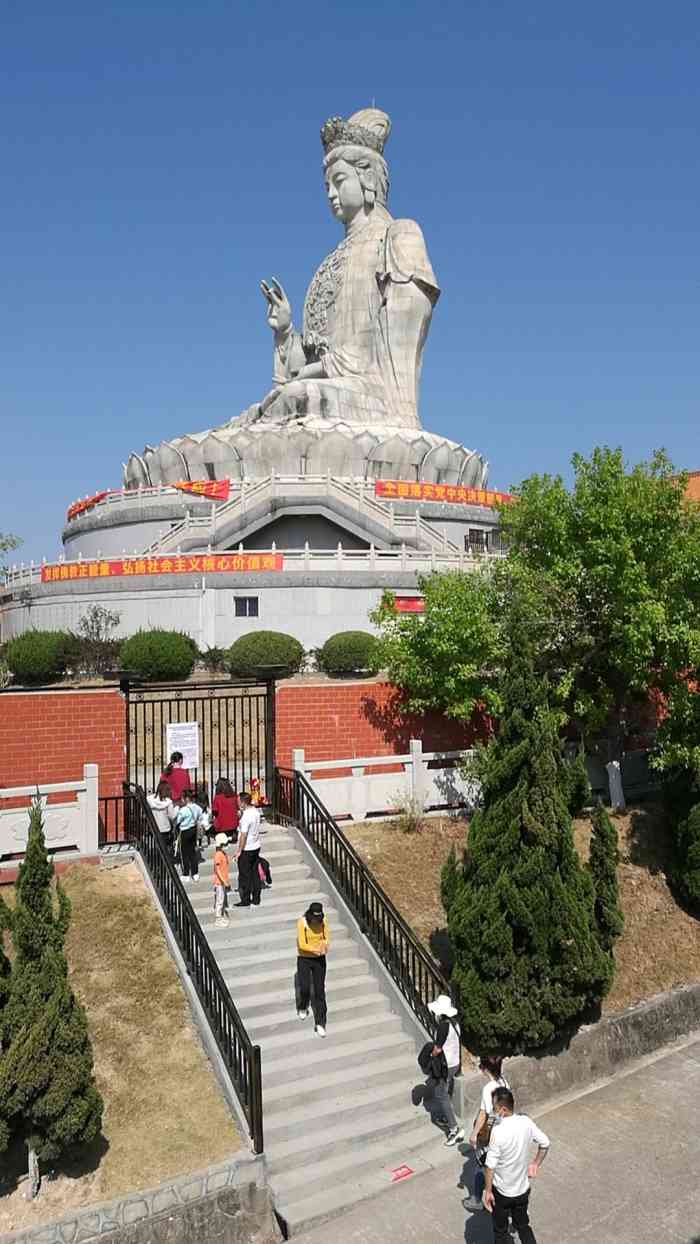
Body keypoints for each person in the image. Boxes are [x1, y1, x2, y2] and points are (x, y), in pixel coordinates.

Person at [482, 1088, 550, 1244]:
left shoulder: (498, 1132)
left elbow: (490, 1166)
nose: (493, 1111)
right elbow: (545, 1143)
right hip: (522, 1191)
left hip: (502, 1194)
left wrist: (488, 1191)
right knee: (523, 1226)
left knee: (500, 1231)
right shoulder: (525, 1121)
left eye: (495, 1107)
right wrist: (535, 1164)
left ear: (503, 1109)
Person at [463, 1054, 511, 1211]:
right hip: (503, 1128)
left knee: (480, 1164)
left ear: (484, 1069)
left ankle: (477, 1198)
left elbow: (484, 1114)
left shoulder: (488, 1088)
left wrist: (474, 1134)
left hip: (491, 1130)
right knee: (497, 1164)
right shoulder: (504, 1082)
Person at [426, 994, 463, 1146]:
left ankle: (454, 1129)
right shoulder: (455, 1023)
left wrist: (430, 1055)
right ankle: (446, 1117)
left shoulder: (443, 1026)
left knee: (441, 1094)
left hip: (446, 1065)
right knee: (444, 1092)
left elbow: (437, 1049)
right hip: (455, 1063)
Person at [296, 901, 330, 1037]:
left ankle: (321, 1023)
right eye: (314, 919)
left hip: (319, 959)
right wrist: (314, 950)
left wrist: (324, 946)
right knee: (304, 988)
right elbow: (302, 944)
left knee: (319, 991)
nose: (316, 922)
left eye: (318, 919)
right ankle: (303, 1006)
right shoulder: (302, 922)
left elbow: (327, 938)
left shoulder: (324, 921)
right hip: (304, 958)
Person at [235, 791, 263, 907]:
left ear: (242, 802)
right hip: (256, 845)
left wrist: (239, 851)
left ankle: (245, 899)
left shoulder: (246, 816)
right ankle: (256, 898)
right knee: (255, 872)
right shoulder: (256, 812)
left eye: (238, 801)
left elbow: (243, 835)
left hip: (247, 848)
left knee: (245, 875)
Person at [173, 788, 202, 883]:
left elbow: (178, 821)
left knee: (184, 853)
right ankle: (195, 873)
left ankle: (186, 874)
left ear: (186, 799)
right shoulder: (197, 807)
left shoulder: (183, 810)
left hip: (184, 831)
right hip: (193, 830)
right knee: (193, 852)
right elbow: (200, 817)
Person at [147, 780, 176, 854]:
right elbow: (172, 816)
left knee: (157, 846)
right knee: (165, 848)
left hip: (154, 827)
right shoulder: (168, 802)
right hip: (165, 828)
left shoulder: (149, 800)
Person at [213, 832, 231, 928]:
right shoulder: (218, 855)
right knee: (219, 900)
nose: (227, 846)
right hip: (219, 882)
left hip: (222, 881)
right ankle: (218, 918)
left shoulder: (223, 854)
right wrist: (223, 881)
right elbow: (218, 870)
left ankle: (220, 916)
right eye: (225, 844)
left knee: (222, 899)